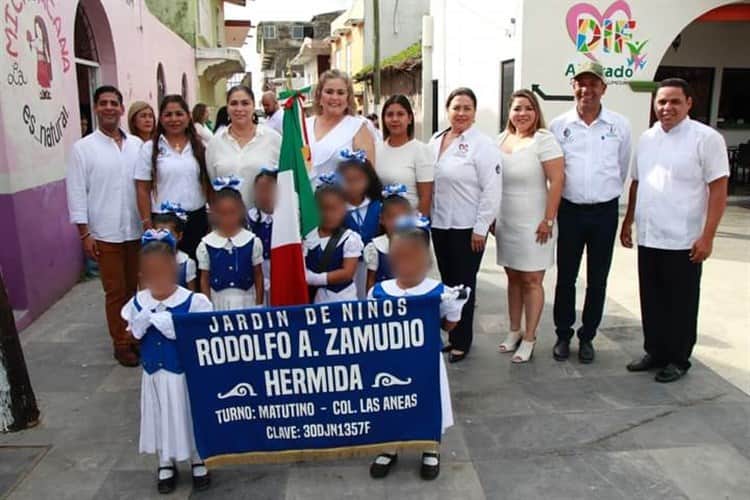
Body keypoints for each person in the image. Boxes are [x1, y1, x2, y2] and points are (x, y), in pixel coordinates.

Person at [621, 78, 729, 383]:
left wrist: (708, 236)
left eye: (674, 102)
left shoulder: (705, 138)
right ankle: (655, 351)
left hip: (684, 238)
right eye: (662, 102)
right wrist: (628, 220)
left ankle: (679, 359)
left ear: (689, 104)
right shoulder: (648, 137)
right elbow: (638, 183)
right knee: (651, 298)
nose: (667, 108)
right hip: (650, 235)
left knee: (680, 302)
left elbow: (718, 189)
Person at [368, 217, 470, 481]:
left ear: (427, 260)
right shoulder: (379, 291)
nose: (405, 264)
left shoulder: (438, 291)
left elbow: (449, 327)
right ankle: (389, 447)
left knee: (428, 403)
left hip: (426, 363)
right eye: (399, 257)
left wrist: (456, 306)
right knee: (391, 403)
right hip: (390, 363)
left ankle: (429, 449)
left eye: (412, 257)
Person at [548, 61, 631, 364]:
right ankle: (562, 334)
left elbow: (621, 168)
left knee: (598, 279)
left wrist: (603, 194)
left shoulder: (619, 125)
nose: (587, 89)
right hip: (569, 211)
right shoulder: (559, 126)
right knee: (566, 277)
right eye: (581, 83)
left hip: (604, 213)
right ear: (573, 87)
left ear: (603, 88)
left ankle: (587, 337)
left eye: (593, 84)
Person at [121, 229, 212, 494]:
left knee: (187, 415)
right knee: (160, 416)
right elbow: (133, 336)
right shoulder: (138, 303)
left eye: (164, 271)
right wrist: (139, 325)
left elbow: (199, 335)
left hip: (182, 375)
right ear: (143, 277)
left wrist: (174, 325)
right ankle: (165, 462)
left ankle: (198, 458)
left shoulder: (192, 301)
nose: (159, 278)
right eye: (152, 273)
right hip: (154, 375)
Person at [66, 85, 143, 367]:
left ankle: (136, 336)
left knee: (137, 289)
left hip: (136, 230)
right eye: (103, 103)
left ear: (122, 109)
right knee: (115, 291)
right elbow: (76, 192)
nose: (109, 107)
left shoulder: (137, 145)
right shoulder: (83, 148)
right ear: (96, 108)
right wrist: (84, 233)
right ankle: (121, 343)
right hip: (105, 233)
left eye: (114, 103)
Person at [430, 87, 502, 363]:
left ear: (474, 113)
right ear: (447, 110)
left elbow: (492, 189)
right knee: (448, 284)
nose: (460, 113)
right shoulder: (436, 140)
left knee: (464, 285)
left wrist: (481, 227)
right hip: (440, 224)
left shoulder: (482, 144)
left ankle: (463, 341)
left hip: (467, 227)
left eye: (466, 108)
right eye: (456, 107)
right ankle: (453, 334)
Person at [496, 89, 564, 363]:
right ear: (509, 113)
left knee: (532, 280)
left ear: (536, 112)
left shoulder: (544, 140)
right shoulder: (501, 139)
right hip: (507, 220)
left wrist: (548, 219)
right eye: (516, 109)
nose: (522, 114)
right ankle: (514, 330)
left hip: (536, 222)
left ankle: (530, 337)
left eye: (527, 108)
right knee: (513, 277)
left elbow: (557, 181)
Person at [135, 94, 211, 259]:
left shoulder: (200, 146)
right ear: (161, 119)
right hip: (163, 223)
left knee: (195, 272)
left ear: (188, 116)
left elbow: (207, 183)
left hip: (196, 220)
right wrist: (147, 224)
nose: (174, 119)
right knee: (165, 275)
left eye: (179, 113)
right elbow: (142, 188)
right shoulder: (150, 149)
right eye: (168, 115)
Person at [196, 177, 264, 311]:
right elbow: (204, 279)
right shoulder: (206, 245)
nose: (227, 218)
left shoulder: (252, 241)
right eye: (222, 214)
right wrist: (207, 307)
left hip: (247, 302)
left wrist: (259, 304)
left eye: (232, 212)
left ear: (240, 211)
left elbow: (258, 275)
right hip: (218, 303)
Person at [206, 86, 281, 207]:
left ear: (253, 106)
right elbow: (213, 181)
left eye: (245, 103)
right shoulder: (215, 143)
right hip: (229, 222)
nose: (239, 108)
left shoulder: (273, 139)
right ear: (227, 107)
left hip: (266, 221)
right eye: (234, 103)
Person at [306, 69, 376, 183]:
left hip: (343, 199)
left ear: (348, 98)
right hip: (304, 198)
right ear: (319, 95)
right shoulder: (304, 125)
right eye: (329, 92)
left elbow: (369, 178)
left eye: (340, 93)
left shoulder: (358, 128)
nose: (334, 97)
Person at [304, 174, 364, 304]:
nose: (328, 214)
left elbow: (348, 272)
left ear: (343, 210)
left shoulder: (349, 238)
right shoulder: (308, 239)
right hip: (315, 302)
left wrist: (315, 278)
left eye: (334, 209)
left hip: (342, 300)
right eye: (323, 209)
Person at [376, 95, 434, 215]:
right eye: (390, 114)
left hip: (411, 226)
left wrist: (415, 226)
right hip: (382, 224)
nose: (395, 119)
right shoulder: (376, 149)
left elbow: (426, 198)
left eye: (400, 114)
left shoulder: (421, 150)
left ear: (410, 119)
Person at [338, 149, 383, 299]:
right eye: (348, 180)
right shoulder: (338, 210)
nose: (353, 185)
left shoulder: (379, 207)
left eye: (358, 180)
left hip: (374, 269)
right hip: (347, 268)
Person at [364, 184, 412, 292]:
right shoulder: (375, 247)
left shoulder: (415, 243)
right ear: (382, 219)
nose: (397, 223)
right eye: (392, 217)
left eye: (402, 217)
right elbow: (370, 282)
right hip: (384, 301)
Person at [248, 168, 277, 304]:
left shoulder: (286, 219)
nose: (263, 195)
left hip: (279, 271)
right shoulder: (249, 219)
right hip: (256, 272)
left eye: (268, 190)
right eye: (260, 190)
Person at [152, 206, 197, 291]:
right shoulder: (149, 261)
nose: (164, 239)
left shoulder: (187, 263)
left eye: (169, 235)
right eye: (160, 234)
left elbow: (192, 293)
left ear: (179, 236)